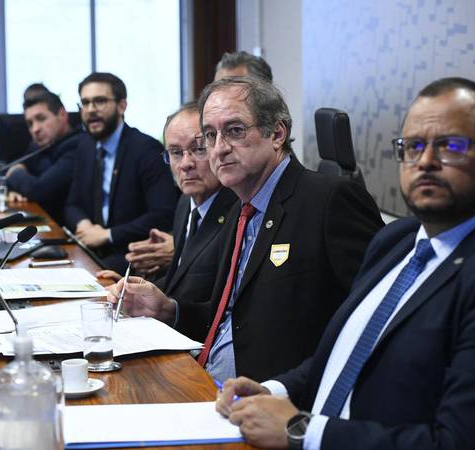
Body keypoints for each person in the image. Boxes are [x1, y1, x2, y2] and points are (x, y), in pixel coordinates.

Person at [214, 77, 475, 450]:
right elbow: (348, 352)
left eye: (451, 146)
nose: (427, 162)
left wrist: (303, 431)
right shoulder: (397, 241)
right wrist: (276, 390)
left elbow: (465, 442)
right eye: (413, 147)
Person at [107, 76, 383, 382]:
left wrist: (282, 391)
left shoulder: (330, 200)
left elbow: (374, 322)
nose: (219, 148)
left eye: (235, 131)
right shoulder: (241, 208)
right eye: (210, 135)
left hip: (272, 396)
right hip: (208, 381)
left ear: (277, 133)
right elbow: (231, 318)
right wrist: (168, 309)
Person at [98, 102, 238, 310]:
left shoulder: (238, 210)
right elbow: (178, 283)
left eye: (199, 149)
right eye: (175, 152)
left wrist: (168, 309)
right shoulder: (185, 203)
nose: (185, 163)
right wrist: (134, 289)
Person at [65, 72, 178, 273]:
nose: (90, 110)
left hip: (132, 254)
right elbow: (72, 204)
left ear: (122, 106)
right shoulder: (86, 146)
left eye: (100, 101)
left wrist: (107, 234)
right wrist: (85, 226)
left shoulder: (146, 149)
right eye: (85, 103)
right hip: (93, 249)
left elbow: (163, 215)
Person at [4, 91, 83, 225]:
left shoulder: (77, 145)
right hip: (42, 223)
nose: (35, 129)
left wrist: (16, 172)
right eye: (30, 123)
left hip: (67, 228)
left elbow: (38, 190)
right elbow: (9, 177)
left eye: (41, 119)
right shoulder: (39, 146)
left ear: (62, 115)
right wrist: (13, 191)